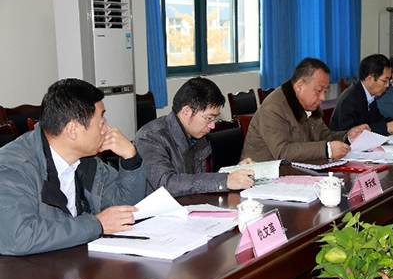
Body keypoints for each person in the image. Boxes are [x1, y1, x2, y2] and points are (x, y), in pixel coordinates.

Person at [0, 78, 146, 256]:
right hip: (31, 269)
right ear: (73, 130)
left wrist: (131, 160)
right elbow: (18, 237)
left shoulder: (87, 161)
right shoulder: (12, 167)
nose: (106, 130)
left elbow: (123, 210)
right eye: (101, 123)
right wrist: (97, 225)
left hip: (74, 260)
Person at [135, 77, 255, 197]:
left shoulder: (197, 135)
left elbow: (195, 181)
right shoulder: (150, 137)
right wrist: (224, 180)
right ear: (186, 111)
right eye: (209, 118)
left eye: (214, 119)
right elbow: (167, 184)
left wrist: (233, 173)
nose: (212, 125)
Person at [240, 58, 369, 162]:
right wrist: (326, 149)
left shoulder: (309, 105)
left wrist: (347, 137)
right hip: (260, 178)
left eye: (325, 91)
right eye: (319, 90)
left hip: (293, 172)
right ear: (300, 85)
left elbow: (324, 136)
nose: (322, 98)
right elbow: (283, 151)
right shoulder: (274, 108)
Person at [329, 54, 393, 135]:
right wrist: (385, 127)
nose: (387, 85)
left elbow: (378, 120)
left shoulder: (369, 95)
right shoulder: (350, 99)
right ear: (369, 78)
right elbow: (350, 133)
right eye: (384, 81)